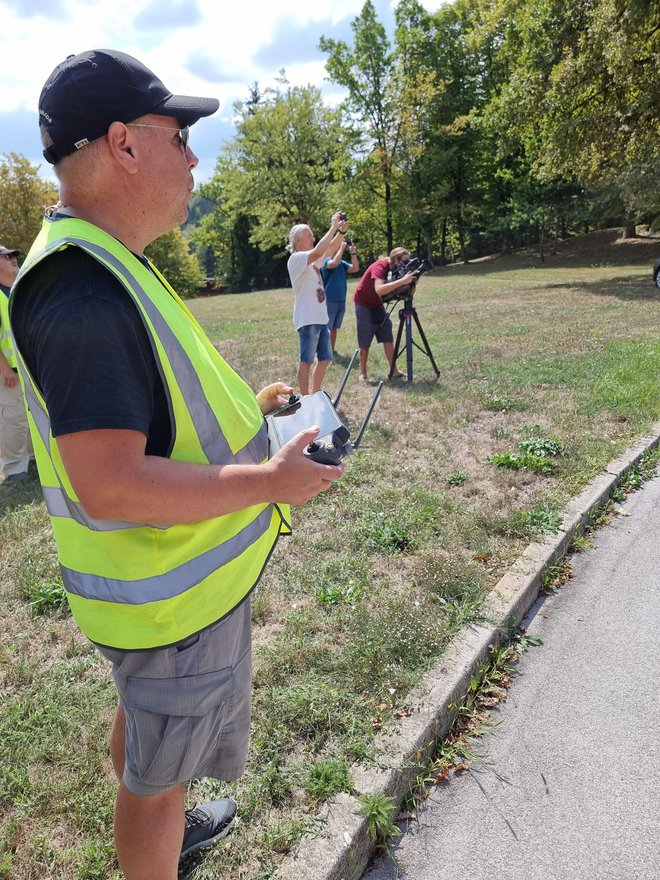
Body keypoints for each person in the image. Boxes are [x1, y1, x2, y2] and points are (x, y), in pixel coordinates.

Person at [9, 49, 344, 880]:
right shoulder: (83, 288)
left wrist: (259, 417)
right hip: (169, 609)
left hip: (164, 601)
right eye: (179, 134)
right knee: (156, 784)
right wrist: (270, 484)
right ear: (123, 144)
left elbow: (150, 417)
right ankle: (161, 841)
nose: (194, 158)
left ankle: (166, 825)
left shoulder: (102, 263)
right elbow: (112, 483)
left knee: (152, 744)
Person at [286, 214, 347, 395]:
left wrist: (341, 231)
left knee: (326, 358)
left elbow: (329, 250)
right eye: (310, 235)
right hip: (308, 319)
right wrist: (333, 226)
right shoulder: (296, 259)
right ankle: (306, 399)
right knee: (306, 361)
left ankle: (315, 393)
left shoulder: (311, 261)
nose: (313, 238)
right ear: (298, 240)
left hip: (320, 318)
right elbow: (320, 251)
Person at [352, 246, 416, 381]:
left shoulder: (396, 270)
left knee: (387, 333)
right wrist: (403, 280)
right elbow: (379, 290)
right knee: (365, 336)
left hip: (377, 304)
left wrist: (412, 283)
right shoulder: (380, 266)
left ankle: (394, 370)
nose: (406, 263)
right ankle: (362, 372)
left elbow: (402, 293)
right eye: (404, 261)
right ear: (396, 260)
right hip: (364, 303)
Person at [0, 244, 33, 482]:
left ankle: (31, 460)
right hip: (8, 373)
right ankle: (13, 470)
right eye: (6, 256)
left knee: (30, 417)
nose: (13, 259)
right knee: (13, 419)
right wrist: (5, 371)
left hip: (27, 370)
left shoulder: (20, 289)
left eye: (13, 255)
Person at [321, 235, 360, 355]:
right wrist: (342, 248)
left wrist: (352, 253)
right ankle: (323, 351)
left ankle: (331, 350)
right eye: (337, 246)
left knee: (334, 327)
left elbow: (355, 268)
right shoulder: (326, 261)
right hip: (330, 300)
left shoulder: (342, 263)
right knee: (326, 327)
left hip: (340, 300)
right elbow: (334, 263)